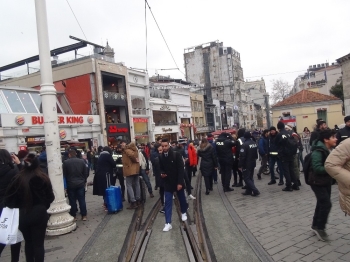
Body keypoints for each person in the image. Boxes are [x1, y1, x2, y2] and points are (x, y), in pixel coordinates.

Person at [4, 153, 55, 262]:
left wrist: (18, 206)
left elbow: (8, 199)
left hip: (23, 215)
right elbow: (50, 197)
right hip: (39, 213)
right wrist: (43, 206)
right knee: (39, 244)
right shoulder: (43, 177)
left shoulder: (18, 178)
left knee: (28, 242)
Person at [308, 129, 337, 241]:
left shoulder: (326, 149)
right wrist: (331, 169)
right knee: (326, 203)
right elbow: (317, 168)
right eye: (333, 137)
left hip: (324, 181)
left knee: (322, 202)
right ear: (326, 139)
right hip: (316, 182)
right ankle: (320, 228)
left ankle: (315, 225)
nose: (336, 139)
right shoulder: (318, 151)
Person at [159, 138, 188, 232]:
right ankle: (168, 223)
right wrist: (162, 173)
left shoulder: (176, 154)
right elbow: (161, 168)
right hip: (168, 182)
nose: (164, 148)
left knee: (181, 198)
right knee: (167, 202)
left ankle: (183, 212)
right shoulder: (161, 156)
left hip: (177, 181)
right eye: (162, 146)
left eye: (165, 146)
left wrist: (180, 182)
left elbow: (181, 169)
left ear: (169, 145)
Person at [0, 150, 22, 262]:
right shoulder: (13, 171)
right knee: (14, 235)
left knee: (2, 233)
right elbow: (22, 182)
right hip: (11, 208)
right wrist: (19, 164)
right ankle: (15, 259)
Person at [63, 149, 89, 220]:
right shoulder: (81, 161)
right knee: (82, 199)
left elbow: (64, 174)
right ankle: (84, 215)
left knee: (72, 200)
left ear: (69, 155)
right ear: (76, 154)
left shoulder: (66, 162)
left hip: (70, 184)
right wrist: (84, 180)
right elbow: (86, 172)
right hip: (80, 183)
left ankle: (73, 215)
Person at [276, 121, 299, 191]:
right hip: (291, 154)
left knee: (286, 171)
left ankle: (288, 185)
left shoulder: (279, 134)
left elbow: (277, 144)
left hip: (284, 155)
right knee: (291, 170)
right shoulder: (288, 133)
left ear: (278, 127)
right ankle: (295, 184)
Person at [239, 132, 260, 196]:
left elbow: (242, 156)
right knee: (250, 177)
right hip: (253, 162)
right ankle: (248, 191)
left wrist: (240, 165)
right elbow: (256, 155)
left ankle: (255, 190)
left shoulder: (244, 145)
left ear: (244, 137)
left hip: (246, 163)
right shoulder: (254, 143)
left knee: (246, 178)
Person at [122, 141, 141, 209]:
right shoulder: (135, 149)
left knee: (129, 185)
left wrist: (134, 160)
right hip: (135, 169)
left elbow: (132, 156)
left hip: (130, 169)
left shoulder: (127, 150)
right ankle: (138, 199)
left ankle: (133, 201)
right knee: (136, 184)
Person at [151, 144, 165, 213]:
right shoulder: (156, 158)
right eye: (159, 150)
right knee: (162, 191)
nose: (160, 152)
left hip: (166, 178)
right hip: (160, 177)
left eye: (161, 150)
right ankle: (163, 204)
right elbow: (156, 170)